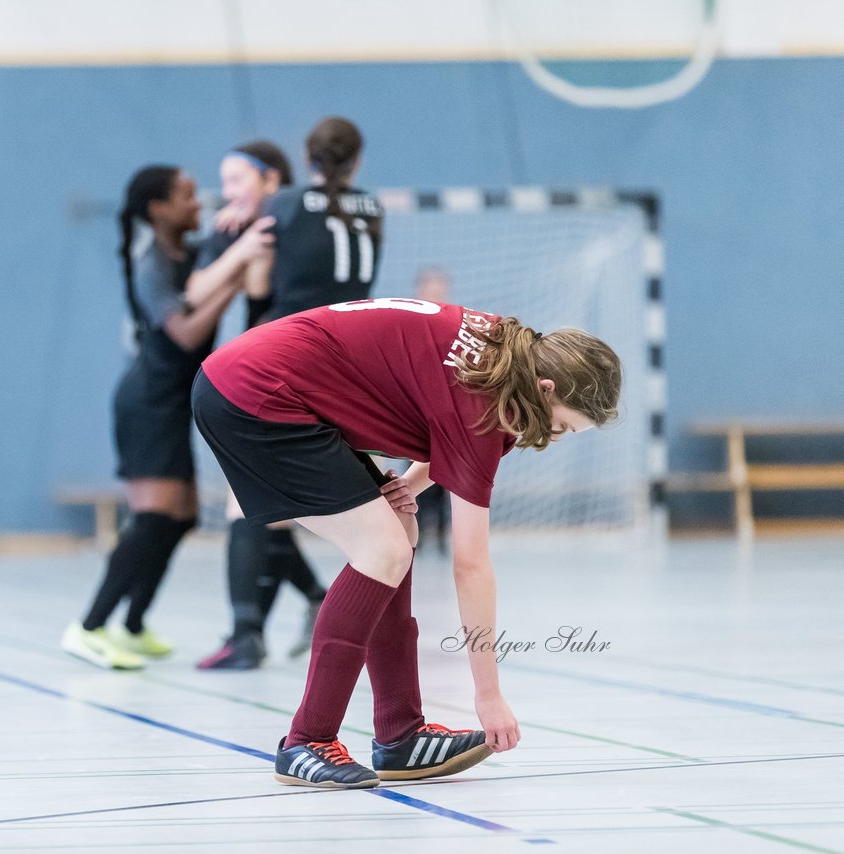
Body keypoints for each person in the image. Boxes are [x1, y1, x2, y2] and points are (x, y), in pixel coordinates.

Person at [192, 296, 621, 787]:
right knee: (383, 550)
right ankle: (306, 741)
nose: (556, 436)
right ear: (545, 389)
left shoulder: (504, 352)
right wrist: (488, 696)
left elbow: (439, 413)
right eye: (562, 424)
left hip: (264, 380)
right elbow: (471, 565)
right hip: (256, 397)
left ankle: (400, 735)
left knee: (398, 531)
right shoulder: (486, 405)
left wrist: (407, 489)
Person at [62, 164, 272, 670]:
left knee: (179, 521)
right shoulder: (149, 261)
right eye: (184, 195)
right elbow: (185, 334)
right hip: (146, 403)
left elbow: (221, 262)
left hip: (175, 400)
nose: (197, 201)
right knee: (153, 517)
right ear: (158, 208)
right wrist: (235, 279)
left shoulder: (191, 252)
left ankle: (133, 626)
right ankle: (88, 627)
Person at [197, 117, 385, 670]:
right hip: (348, 359)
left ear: (304, 161)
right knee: (283, 504)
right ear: (358, 162)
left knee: (246, 502)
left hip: (286, 356)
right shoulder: (372, 207)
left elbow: (258, 286)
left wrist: (236, 228)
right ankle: (318, 604)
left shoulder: (283, 209)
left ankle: (245, 633)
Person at [413, 266, 454, 554]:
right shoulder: (410, 322)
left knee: (445, 478)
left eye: (440, 286)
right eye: (430, 285)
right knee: (414, 475)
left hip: (445, 412)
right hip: (414, 411)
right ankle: (414, 534)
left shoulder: (454, 324)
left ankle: (441, 536)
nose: (435, 290)